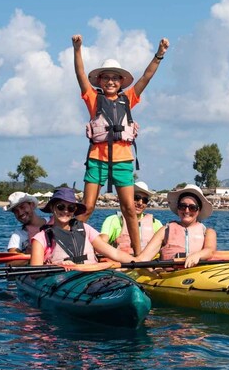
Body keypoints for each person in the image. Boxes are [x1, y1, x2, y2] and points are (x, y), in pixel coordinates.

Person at [72, 33, 169, 255]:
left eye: (115, 78)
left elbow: (146, 77)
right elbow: (79, 74)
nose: (111, 82)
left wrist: (159, 55)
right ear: (99, 81)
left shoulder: (129, 99)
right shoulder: (93, 99)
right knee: (86, 209)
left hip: (123, 161)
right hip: (97, 159)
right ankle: (68, 244)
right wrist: (77, 49)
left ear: (121, 82)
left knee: (129, 209)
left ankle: (138, 254)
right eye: (106, 78)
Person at [29, 187, 138, 266]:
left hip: (90, 277)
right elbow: (35, 273)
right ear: (52, 207)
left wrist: (137, 262)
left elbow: (114, 253)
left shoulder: (86, 229)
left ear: (75, 210)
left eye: (71, 208)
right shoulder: (41, 238)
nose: (66, 211)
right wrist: (57, 265)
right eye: (61, 207)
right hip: (60, 281)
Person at [137, 184, 217, 268]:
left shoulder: (208, 232)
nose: (186, 211)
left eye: (192, 207)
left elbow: (210, 250)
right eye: (182, 206)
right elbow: (144, 258)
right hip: (169, 275)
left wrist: (197, 255)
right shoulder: (165, 230)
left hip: (196, 274)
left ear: (199, 210)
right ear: (178, 208)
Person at [99, 181, 163, 255]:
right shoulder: (114, 220)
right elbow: (102, 242)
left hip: (149, 264)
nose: (140, 203)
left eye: (145, 200)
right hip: (123, 264)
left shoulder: (156, 223)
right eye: (136, 198)